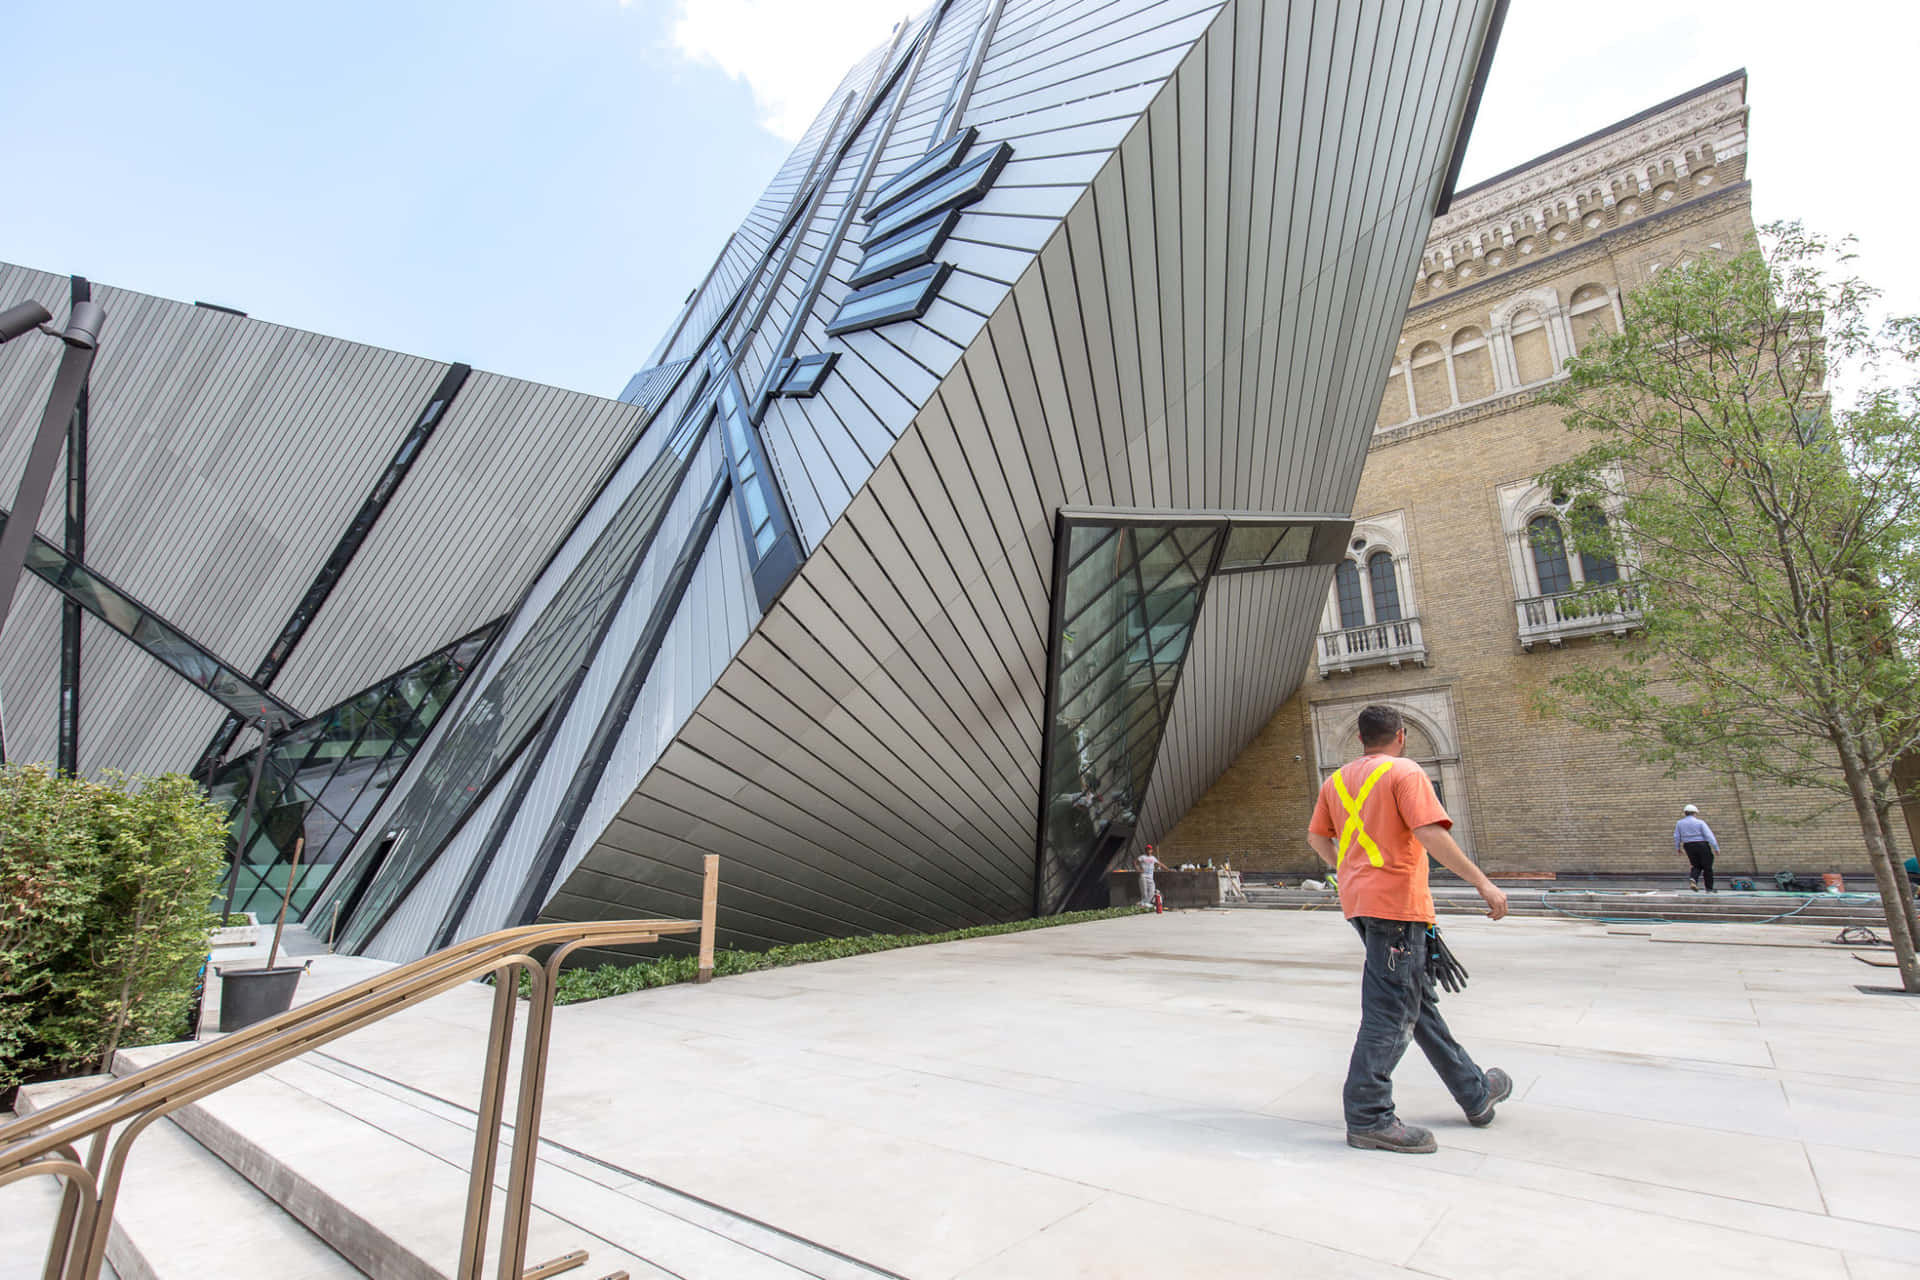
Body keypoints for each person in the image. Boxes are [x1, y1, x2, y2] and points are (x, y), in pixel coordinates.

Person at [1307, 704, 1511, 1155]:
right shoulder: (1404, 772)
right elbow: (1430, 833)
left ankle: (1475, 1092)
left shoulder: (1334, 782)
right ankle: (1368, 1116)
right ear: (1400, 736)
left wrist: (1348, 867)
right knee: (1391, 1012)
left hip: (1362, 903)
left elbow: (1317, 838)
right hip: (1397, 906)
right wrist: (1483, 882)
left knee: (1413, 1003)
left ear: (1360, 739)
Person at [1674, 803, 1719, 893]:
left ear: (1685, 813)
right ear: (1695, 813)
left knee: (1696, 865)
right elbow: (1709, 835)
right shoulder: (1700, 822)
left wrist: (1678, 847)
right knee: (1707, 867)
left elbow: (1677, 836)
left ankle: (1693, 879)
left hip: (1688, 846)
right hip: (1701, 845)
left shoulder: (1679, 823)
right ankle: (1709, 888)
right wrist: (1716, 847)